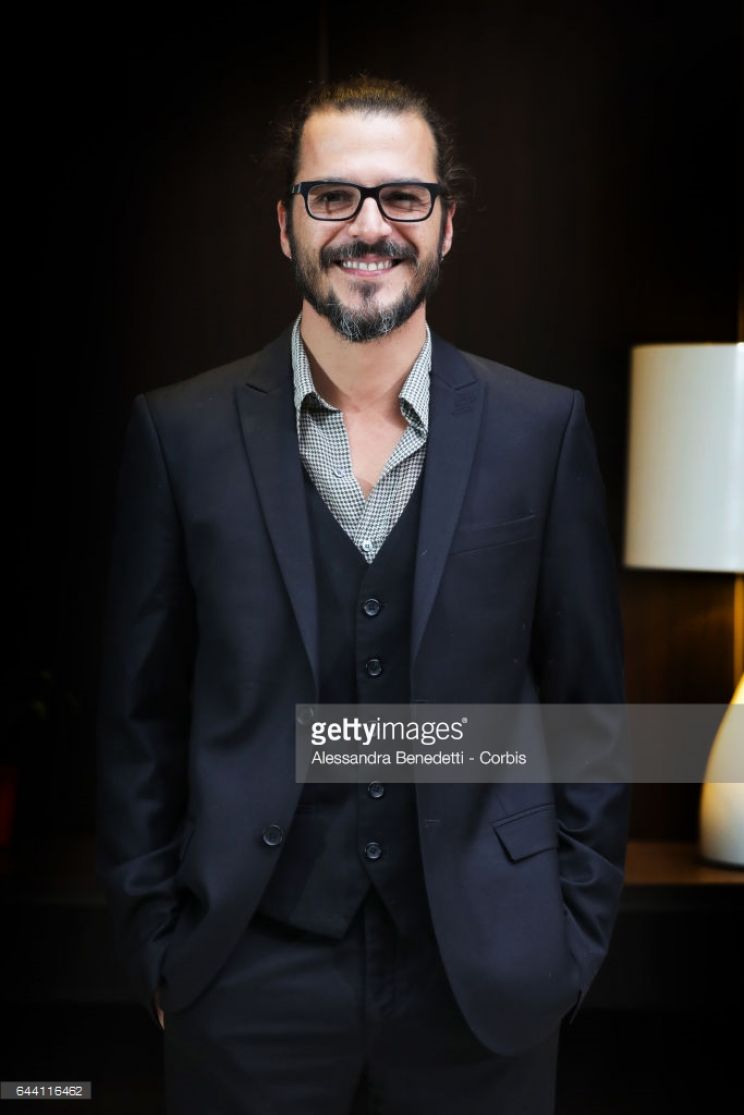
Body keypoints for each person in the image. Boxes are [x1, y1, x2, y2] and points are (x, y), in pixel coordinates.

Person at [97, 75, 629, 1115]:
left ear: (446, 224)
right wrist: (158, 944)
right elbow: (138, 718)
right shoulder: (179, 432)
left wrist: (570, 941)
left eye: (403, 197)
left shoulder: (542, 428)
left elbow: (589, 710)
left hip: (486, 979)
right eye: (333, 195)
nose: (369, 226)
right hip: (244, 973)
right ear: (285, 223)